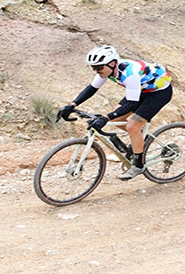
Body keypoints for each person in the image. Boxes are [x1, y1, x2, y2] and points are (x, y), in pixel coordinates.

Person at [58, 46, 173, 180]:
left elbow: (132, 103)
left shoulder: (129, 74)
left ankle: (138, 165)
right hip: (140, 90)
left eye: (98, 67)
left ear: (112, 63)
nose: (96, 71)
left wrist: (106, 117)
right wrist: (72, 105)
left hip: (158, 93)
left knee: (131, 126)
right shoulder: (106, 71)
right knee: (115, 120)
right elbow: (91, 89)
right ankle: (140, 138)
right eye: (93, 68)